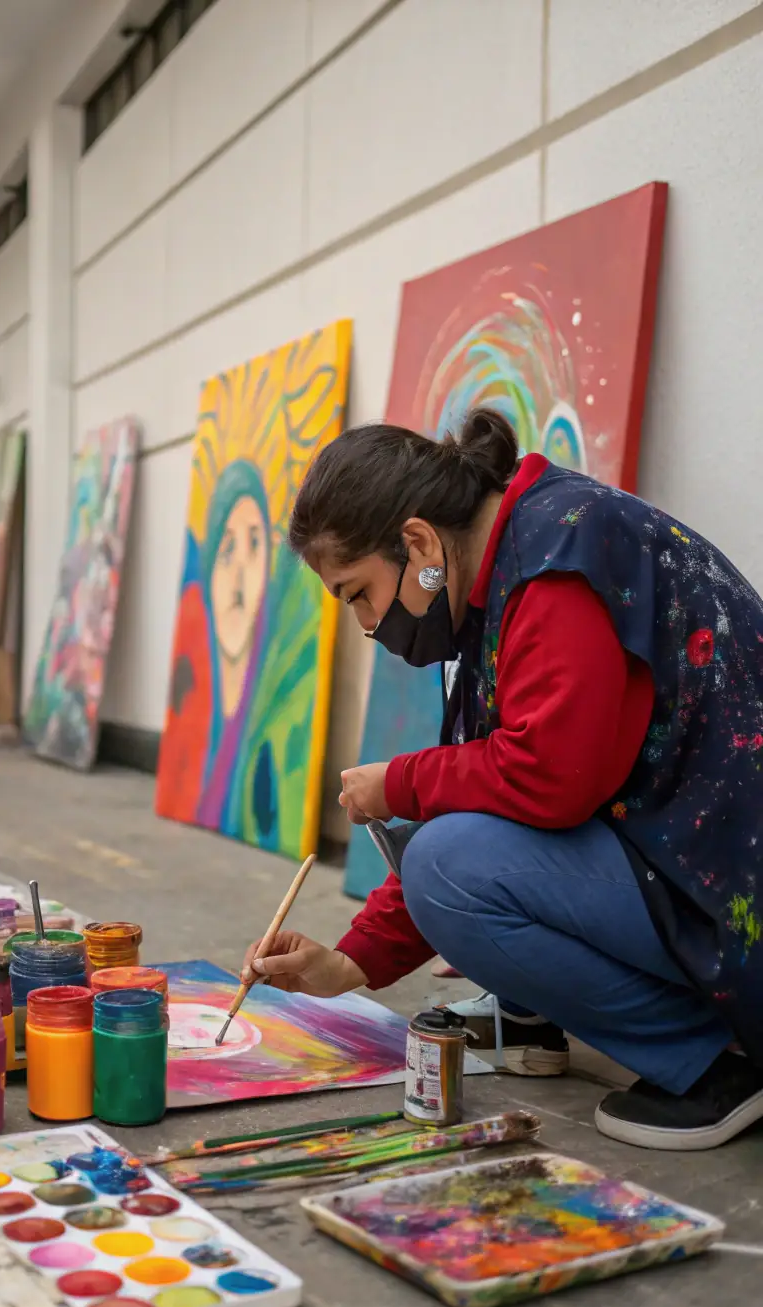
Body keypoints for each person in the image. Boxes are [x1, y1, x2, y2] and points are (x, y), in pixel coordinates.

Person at [241, 408, 763, 1152]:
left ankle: (713, 1063)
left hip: (732, 888)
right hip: (693, 858)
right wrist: (348, 963)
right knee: (455, 832)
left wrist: (402, 782)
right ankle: (529, 1014)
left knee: (447, 859)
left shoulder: (555, 559)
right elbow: (492, 791)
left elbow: (549, 777)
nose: (364, 622)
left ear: (418, 543)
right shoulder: (511, 562)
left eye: (358, 592)